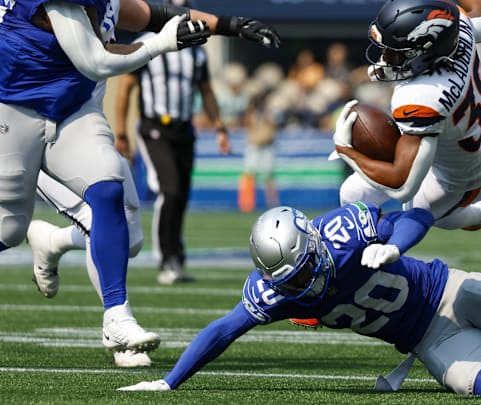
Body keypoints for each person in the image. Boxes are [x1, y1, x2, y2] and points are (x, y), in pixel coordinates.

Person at [117, 202, 481, 396]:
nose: (303, 282)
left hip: (444, 288)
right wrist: (170, 382)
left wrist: (395, 245)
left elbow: (414, 213)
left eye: (305, 268)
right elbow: (223, 330)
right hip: (427, 337)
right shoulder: (270, 291)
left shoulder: (344, 231)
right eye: (292, 276)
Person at [0, 0, 279, 359]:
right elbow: (95, 61)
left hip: (73, 111)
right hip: (14, 109)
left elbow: (156, 15)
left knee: (108, 186)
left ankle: (117, 316)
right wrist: (161, 43)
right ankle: (53, 244)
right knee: (9, 228)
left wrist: (230, 24)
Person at [331, 0, 481, 232]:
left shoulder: (422, 96)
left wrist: (346, 150)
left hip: (465, 173)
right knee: (351, 194)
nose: (385, 56)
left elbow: (402, 185)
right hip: (474, 131)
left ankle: (480, 214)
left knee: (420, 212)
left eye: (395, 52)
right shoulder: (456, 25)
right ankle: (366, 251)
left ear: (425, 51)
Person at [114, 0, 237, 285]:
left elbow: (206, 91)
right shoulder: (147, 42)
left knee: (180, 194)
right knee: (169, 191)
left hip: (184, 129)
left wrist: (219, 126)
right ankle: (165, 258)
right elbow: (125, 90)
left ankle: (176, 258)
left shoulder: (196, 51)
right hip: (155, 126)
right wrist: (121, 133)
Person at [30, 162, 151, 368]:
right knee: (95, 220)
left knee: (131, 241)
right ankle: (117, 328)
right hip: (40, 148)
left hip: (93, 142)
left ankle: (52, 241)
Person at [238, 90, 279, 213]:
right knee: (249, 174)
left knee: (269, 175)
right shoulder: (252, 113)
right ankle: (246, 204)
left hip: (266, 145)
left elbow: (272, 127)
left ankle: (272, 202)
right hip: (254, 146)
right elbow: (249, 125)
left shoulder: (269, 113)